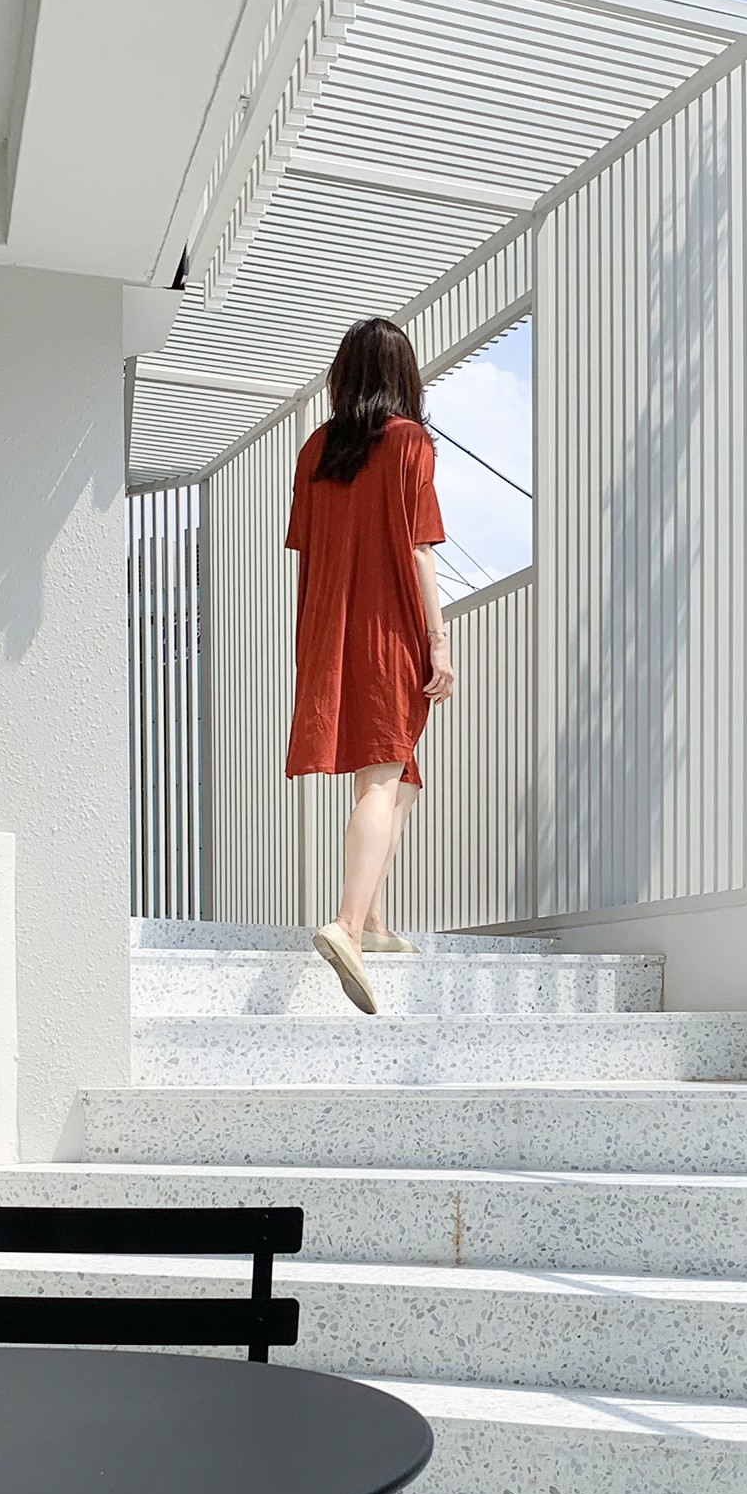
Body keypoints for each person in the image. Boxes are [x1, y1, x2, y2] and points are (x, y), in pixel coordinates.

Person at [284, 316, 454, 1015]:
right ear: (401, 375)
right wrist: (438, 641)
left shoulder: (316, 449)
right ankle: (347, 926)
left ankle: (374, 921)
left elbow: (308, 549)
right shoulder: (409, 441)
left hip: (330, 628)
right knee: (382, 776)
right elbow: (418, 549)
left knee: (401, 776)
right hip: (388, 629)